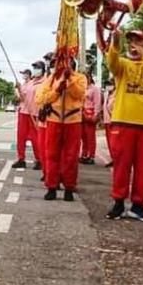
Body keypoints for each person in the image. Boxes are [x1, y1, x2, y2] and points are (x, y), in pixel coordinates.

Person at [103, 29, 143, 222]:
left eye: (138, 41)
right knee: (122, 166)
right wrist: (115, 42)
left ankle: (138, 204)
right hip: (123, 122)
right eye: (130, 42)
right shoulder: (123, 64)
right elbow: (112, 61)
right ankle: (118, 202)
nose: (133, 45)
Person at [36, 57, 87, 200]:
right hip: (54, 120)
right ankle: (52, 186)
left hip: (73, 121)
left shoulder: (80, 78)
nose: (63, 66)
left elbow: (80, 94)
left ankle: (69, 188)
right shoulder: (51, 79)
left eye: (66, 63)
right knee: (52, 154)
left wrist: (69, 80)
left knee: (71, 156)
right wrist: (57, 90)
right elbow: (41, 99)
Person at [11, 68, 37, 168]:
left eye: (25, 74)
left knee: (35, 137)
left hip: (32, 112)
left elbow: (25, 97)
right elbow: (20, 98)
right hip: (23, 111)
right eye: (23, 74)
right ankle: (21, 158)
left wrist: (19, 89)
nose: (24, 75)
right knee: (21, 137)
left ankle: (38, 159)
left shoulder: (32, 84)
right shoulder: (24, 85)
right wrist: (18, 89)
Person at [79, 74, 102, 165]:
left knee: (90, 136)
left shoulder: (94, 89)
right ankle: (84, 154)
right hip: (82, 113)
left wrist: (96, 115)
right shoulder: (81, 88)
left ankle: (91, 156)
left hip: (90, 113)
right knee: (83, 136)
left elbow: (97, 102)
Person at [30, 60, 47, 171]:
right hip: (31, 112)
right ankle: (39, 159)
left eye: (38, 67)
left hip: (40, 114)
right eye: (34, 67)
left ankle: (42, 161)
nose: (36, 69)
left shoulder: (45, 81)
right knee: (36, 140)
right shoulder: (32, 82)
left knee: (40, 140)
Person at [102, 81, 116, 168]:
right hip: (106, 120)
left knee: (114, 141)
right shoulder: (106, 94)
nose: (108, 86)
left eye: (110, 84)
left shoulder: (117, 94)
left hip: (113, 121)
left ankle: (116, 158)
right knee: (109, 141)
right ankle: (112, 158)